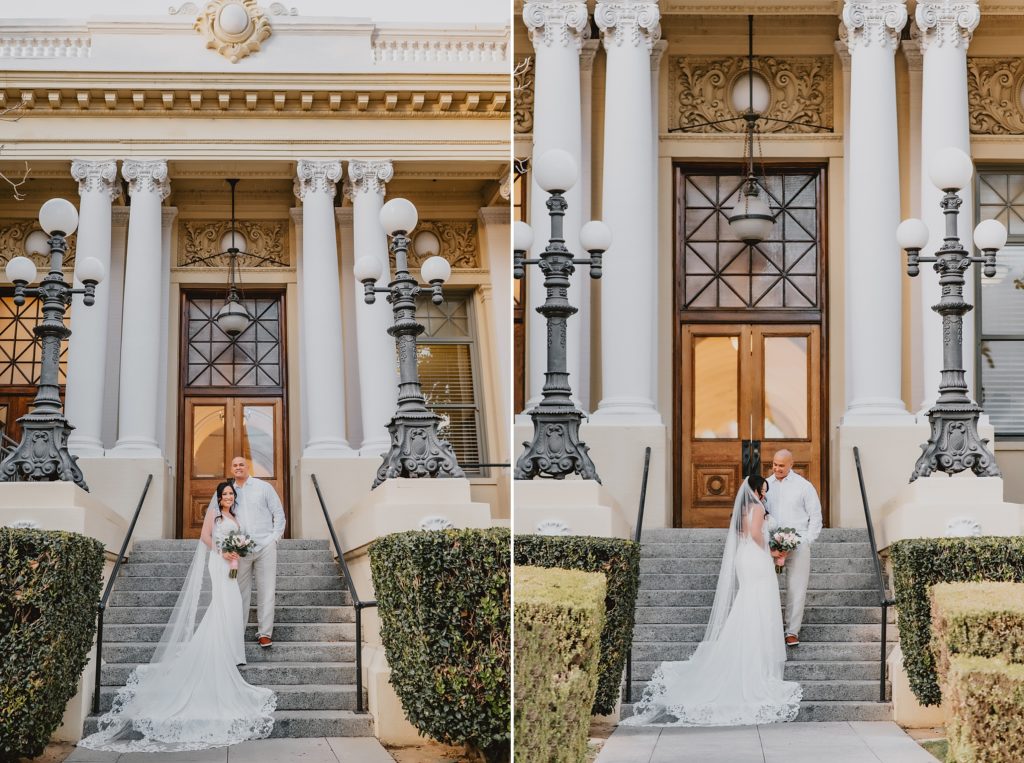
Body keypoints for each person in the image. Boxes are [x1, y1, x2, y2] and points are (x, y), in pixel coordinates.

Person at [79, 482, 276, 752]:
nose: (228, 497)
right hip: (217, 562)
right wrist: (222, 551)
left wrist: (236, 555)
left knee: (232, 605)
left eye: (231, 494)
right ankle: (222, 653)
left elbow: (239, 543)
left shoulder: (235, 516)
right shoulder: (216, 516)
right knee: (222, 605)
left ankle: (232, 652)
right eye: (224, 494)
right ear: (218, 498)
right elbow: (206, 537)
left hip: (230, 565)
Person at [622, 475, 802, 726]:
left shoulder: (742, 509)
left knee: (749, 601)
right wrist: (773, 551)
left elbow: (745, 533)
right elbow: (755, 534)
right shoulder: (758, 508)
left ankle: (744, 649)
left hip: (744, 557)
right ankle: (754, 658)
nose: (764, 494)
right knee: (759, 601)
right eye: (762, 489)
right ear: (755, 491)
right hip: (756, 557)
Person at [208, 456, 286, 647]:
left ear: (247, 466)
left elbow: (278, 513)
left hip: (265, 545)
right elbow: (220, 516)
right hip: (240, 549)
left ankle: (265, 633)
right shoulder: (230, 492)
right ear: (231, 469)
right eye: (234, 465)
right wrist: (226, 546)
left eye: (241, 464)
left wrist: (275, 538)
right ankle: (237, 631)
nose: (238, 467)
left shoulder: (263, 487)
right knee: (239, 591)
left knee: (267, 589)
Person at [765, 449, 823, 647]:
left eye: (781, 465)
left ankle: (791, 631)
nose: (777, 468)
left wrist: (807, 540)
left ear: (791, 465)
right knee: (768, 587)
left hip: (798, 544)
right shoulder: (766, 485)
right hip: (771, 545)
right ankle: (770, 630)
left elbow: (815, 515)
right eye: (774, 464)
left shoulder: (804, 486)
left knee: (796, 589)